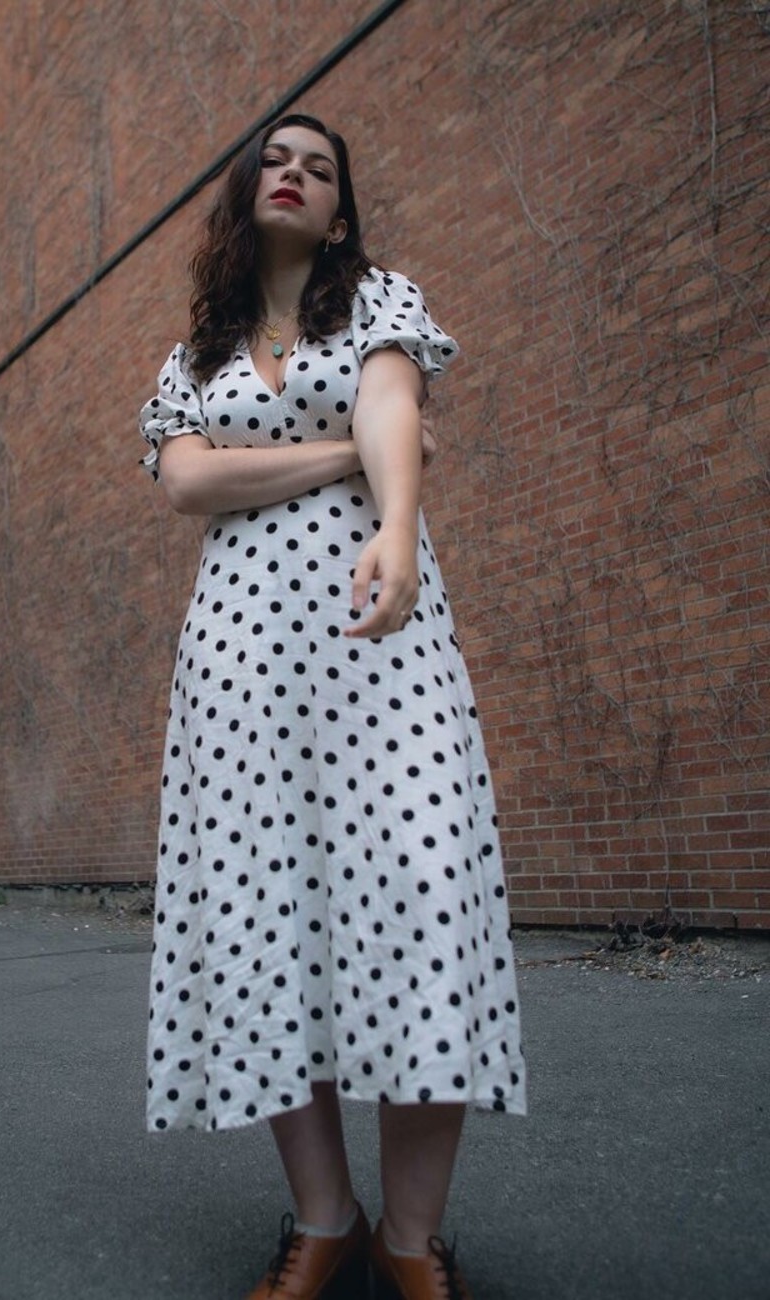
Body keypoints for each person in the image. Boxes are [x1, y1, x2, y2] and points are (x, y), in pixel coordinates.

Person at [138, 112, 527, 1300]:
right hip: (240, 665)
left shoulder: (376, 304)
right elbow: (187, 481)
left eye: (319, 168)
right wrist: (336, 456)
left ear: (340, 209)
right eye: (277, 160)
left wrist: (396, 520)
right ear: (244, 192)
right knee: (267, 917)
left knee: (422, 886)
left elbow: (389, 408)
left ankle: (411, 1236)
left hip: (381, 639)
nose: (295, 175)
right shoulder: (194, 356)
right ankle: (326, 1218)